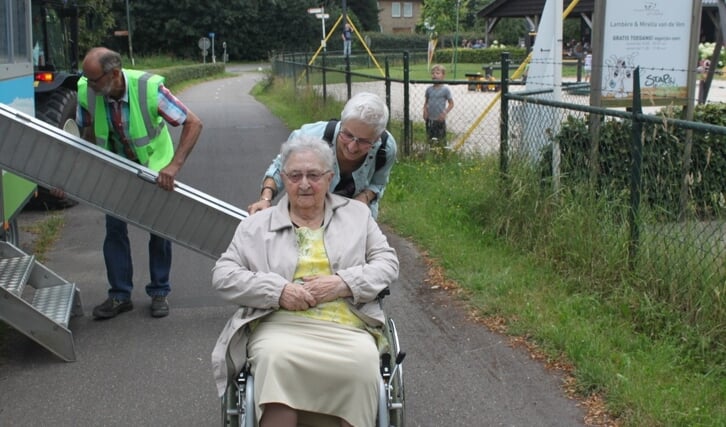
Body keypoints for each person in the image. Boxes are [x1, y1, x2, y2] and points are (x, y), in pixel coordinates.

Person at [211, 135, 400, 427]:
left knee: (363, 364)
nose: (304, 184)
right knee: (275, 358)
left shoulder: (358, 215)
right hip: (279, 323)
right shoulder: (256, 225)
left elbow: (387, 263)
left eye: (314, 175)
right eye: (295, 175)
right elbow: (223, 276)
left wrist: (342, 283)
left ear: (329, 177)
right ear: (283, 178)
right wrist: (278, 290)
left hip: (346, 324)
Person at [76, 47, 203, 319]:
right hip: (116, 169)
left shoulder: (148, 90)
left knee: (159, 231)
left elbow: (193, 123)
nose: (89, 85)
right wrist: (76, 173)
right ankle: (120, 295)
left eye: (94, 79)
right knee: (115, 230)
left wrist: (174, 166)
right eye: (86, 78)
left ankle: (159, 292)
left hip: (155, 169)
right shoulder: (87, 92)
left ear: (115, 74)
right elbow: (86, 134)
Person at [247, 91, 396, 219]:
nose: (352, 147)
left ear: (377, 138)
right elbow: (280, 169)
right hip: (311, 215)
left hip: (357, 217)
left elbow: (378, 183)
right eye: (347, 135)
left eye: (363, 141)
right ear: (341, 124)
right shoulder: (310, 137)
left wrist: (364, 198)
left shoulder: (386, 149)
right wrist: (265, 199)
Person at [423, 64, 454, 147]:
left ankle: (441, 153)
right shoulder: (429, 89)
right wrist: (425, 111)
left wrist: (445, 112)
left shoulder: (445, 90)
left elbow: (451, 103)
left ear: (443, 76)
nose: (434, 75)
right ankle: (431, 152)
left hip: (439, 119)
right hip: (430, 119)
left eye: (437, 73)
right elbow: (426, 102)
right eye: (433, 73)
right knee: (430, 139)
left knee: (441, 139)